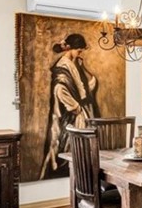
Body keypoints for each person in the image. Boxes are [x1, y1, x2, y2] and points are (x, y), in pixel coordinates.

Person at [39, 33, 100, 179]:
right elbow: (59, 89)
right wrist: (76, 108)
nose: (80, 54)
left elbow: (82, 89)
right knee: (69, 148)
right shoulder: (63, 66)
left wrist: (83, 68)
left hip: (78, 114)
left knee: (82, 149)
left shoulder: (73, 64)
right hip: (69, 116)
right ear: (70, 49)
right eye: (79, 51)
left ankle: (82, 175)